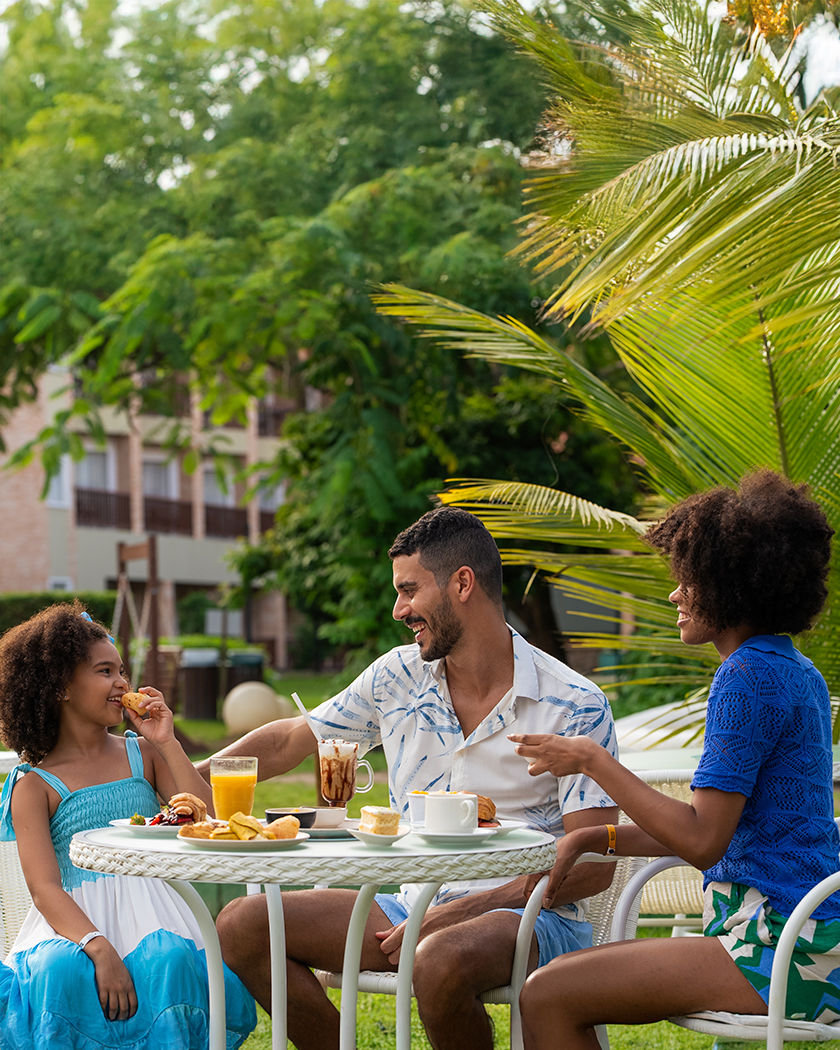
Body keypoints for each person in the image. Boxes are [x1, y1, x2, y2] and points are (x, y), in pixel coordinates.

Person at [207, 506, 620, 1050]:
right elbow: (290, 740)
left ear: (463, 583)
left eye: (409, 590)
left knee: (439, 959)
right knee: (242, 923)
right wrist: (185, 771)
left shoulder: (573, 703)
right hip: (409, 909)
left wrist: (458, 912)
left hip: (530, 915)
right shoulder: (396, 677)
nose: (399, 609)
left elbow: (592, 866)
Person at [510, 468, 840, 1049]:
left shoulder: (746, 677)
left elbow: (702, 842)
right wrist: (597, 838)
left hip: (783, 948)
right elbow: (717, 828)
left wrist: (591, 758)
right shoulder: (794, 670)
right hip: (813, 937)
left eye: (688, 580)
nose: (675, 595)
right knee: (553, 991)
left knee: (546, 994)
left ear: (730, 584)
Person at [0, 602, 256, 1049]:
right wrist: (97, 946)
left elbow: (220, 820)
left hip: (155, 911)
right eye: (105, 672)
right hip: (75, 921)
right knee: (59, 971)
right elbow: (44, 888)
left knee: (170, 958)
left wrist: (168, 742)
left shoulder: (143, 754)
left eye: (122, 671)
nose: (122, 683)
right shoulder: (34, 784)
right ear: (60, 686)